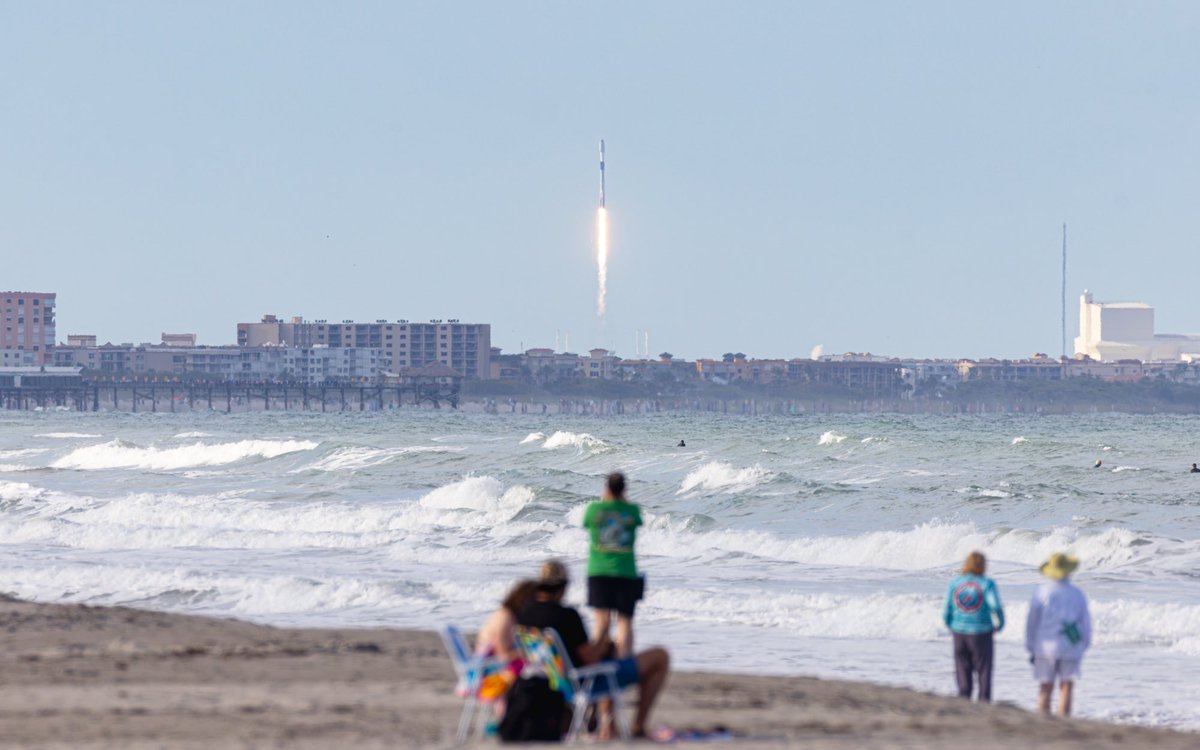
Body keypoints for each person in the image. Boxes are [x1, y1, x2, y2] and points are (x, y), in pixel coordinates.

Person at [518, 559, 669, 739]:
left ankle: (608, 726)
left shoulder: (524, 614)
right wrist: (603, 637)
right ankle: (637, 727)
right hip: (580, 683)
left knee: (609, 653)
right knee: (660, 657)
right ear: (563, 587)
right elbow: (591, 659)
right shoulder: (566, 616)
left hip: (550, 682)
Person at [583, 472, 644, 660]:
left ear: (607, 488)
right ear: (624, 489)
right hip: (625, 572)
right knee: (625, 622)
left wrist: (606, 500)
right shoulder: (632, 511)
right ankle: (624, 663)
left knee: (601, 623)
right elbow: (636, 522)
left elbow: (586, 525)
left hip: (598, 571)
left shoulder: (594, 510)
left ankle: (593, 661)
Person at [1025, 552, 1092, 717]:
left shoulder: (1042, 592)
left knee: (1045, 686)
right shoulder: (1077, 593)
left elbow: (1032, 621)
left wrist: (1030, 645)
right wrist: (1084, 644)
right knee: (1066, 685)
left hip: (1045, 646)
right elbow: (1085, 623)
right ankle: (1063, 720)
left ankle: (1042, 720)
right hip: (1070, 645)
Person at [943, 551, 1004, 702]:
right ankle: (984, 700)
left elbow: (947, 609)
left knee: (962, 669)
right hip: (981, 632)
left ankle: (964, 698)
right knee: (984, 670)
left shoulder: (955, 583)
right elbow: (995, 606)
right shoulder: (987, 584)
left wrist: (950, 624)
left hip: (959, 631)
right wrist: (999, 624)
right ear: (983, 566)